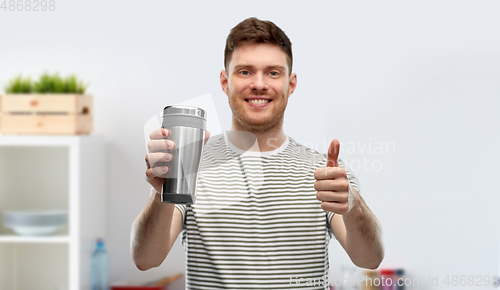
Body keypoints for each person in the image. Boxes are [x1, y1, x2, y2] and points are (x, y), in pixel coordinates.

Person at [131, 17, 384, 289]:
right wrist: (161, 193)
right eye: (245, 72)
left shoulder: (325, 171)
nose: (259, 84)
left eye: (273, 73)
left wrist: (353, 205)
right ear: (225, 82)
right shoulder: (189, 164)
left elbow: (370, 258)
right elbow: (146, 258)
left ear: (291, 84)